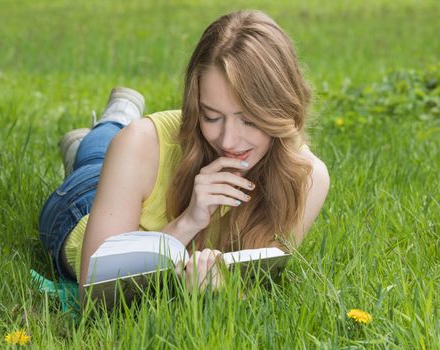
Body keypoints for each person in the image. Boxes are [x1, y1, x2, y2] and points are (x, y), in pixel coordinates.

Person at [39, 10, 330, 304]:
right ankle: (114, 120)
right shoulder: (139, 143)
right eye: (211, 116)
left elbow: (254, 286)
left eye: (250, 121)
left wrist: (218, 294)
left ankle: (94, 136)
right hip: (80, 207)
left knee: (103, 154)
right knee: (97, 159)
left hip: (125, 175)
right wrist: (189, 221)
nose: (228, 141)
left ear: (280, 110)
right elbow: (94, 291)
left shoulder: (306, 178)